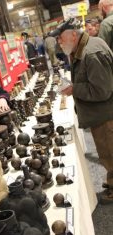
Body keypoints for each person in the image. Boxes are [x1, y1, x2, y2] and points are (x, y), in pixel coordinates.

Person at [50, 18, 113, 204]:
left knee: (110, 153)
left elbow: (101, 91)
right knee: (106, 153)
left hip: (106, 116)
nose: (59, 43)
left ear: (73, 35)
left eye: (61, 39)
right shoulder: (84, 48)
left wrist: (73, 89)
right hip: (101, 114)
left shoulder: (91, 53)